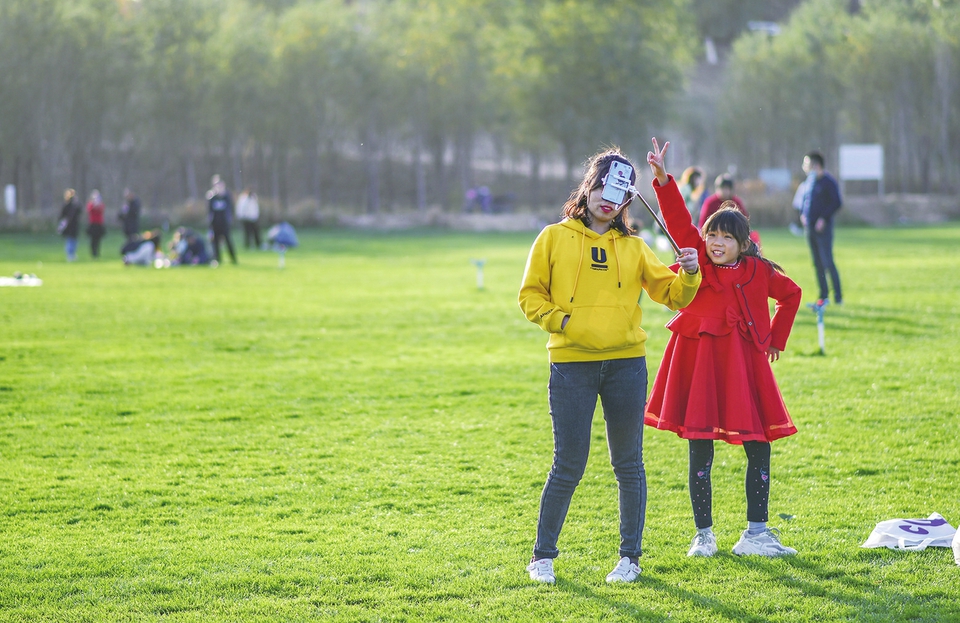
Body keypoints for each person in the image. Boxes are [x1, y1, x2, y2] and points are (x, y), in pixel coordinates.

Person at [518, 144, 702, 585]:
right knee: (568, 464)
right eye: (600, 185)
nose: (606, 197)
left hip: (626, 366)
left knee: (628, 464)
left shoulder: (635, 247)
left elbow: (673, 295)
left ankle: (630, 559)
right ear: (588, 188)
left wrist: (691, 272)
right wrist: (563, 322)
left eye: (617, 191)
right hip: (571, 365)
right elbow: (529, 297)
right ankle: (542, 557)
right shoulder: (552, 237)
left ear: (625, 201)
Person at [644, 139, 802, 558]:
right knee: (700, 446)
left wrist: (773, 339)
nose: (715, 242)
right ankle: (704, 534)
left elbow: (793, 295)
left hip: (744, 367)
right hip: (700, 365)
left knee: (759, 445)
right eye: (711, 234)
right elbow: (678, 223)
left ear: (744, 243)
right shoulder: (699, 263)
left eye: (724, 237)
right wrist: (662, 178)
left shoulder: (758, 271)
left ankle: (756, 533)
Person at [800, 150, 843, 305]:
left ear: (816, 165)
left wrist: (823, 219)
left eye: (807, 164)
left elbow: (837, 203)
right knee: (817, 263)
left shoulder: (828, 182)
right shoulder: (809, 182)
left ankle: (838, 297)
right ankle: (823, 296)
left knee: (827, 261)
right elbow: (805, 202)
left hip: (823, 229)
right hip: (809, 228)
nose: (804, 167)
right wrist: (803, 215)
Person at [207, 176, 237, 264]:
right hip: (215, 223)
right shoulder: (212, 197)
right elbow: (210, 211)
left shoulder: (227, 196)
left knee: (228, 241)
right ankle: (217, 258)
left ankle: (233, 258)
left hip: (224, 223)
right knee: (215, 242)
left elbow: (231, 209)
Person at [58, 189, 82, 262]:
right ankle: (70, 255)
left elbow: (80, 211)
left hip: (74, 225)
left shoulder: (75, 205)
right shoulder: (66, 206)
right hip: (68, 226)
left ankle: (73, 254)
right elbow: (62, 215)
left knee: (74, 241)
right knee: (70, 241)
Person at [86, 190, 106, 258]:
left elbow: (101, 210)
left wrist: (98, 204)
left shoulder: (101, 204)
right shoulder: (90, 204)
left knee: (98, 239)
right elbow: (90, 210)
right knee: (93, 240)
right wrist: (94, 204)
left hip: (99, 224)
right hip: (93, 224)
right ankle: (93, 253)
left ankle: (97, 252)